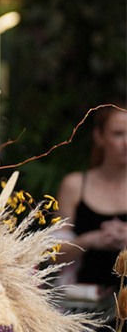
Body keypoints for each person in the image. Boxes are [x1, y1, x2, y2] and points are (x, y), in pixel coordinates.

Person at [55, 105, 127, 288]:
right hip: (85, 307)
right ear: (99, 137)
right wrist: (92, 239)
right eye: (118, 134)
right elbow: (54, 254)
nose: (126, 142)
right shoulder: (75, 185)